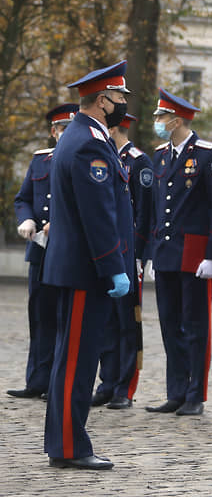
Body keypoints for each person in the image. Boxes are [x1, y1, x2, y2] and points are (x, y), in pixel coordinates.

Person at [42, 61, 134, 470]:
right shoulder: (89, 143)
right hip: (86, 270)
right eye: (119, 98)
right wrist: (112, 265)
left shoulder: (81, 135)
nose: (123, 105)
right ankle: (69, 446)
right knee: (77, 361)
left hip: (77, 267)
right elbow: (97, 213)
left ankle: (66, 442)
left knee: (73, 358)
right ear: (102, 100)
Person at [144, 88, 212, 416]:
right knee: (170, 324)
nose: (157, 122)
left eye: (161, 117)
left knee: (195, 326)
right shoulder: (161, 155)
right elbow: (156, 208)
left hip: (195, 256)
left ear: (176, 120)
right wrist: (152, 251)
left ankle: (196, 394)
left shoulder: (208, 155)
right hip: (167, 253)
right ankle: (176, 391)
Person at [9, 103, 77, 400]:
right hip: (39, 250)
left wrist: (59, 223)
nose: (66, 134)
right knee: (39, 316)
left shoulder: (82, 159)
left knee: (64, 317)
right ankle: (36, 379)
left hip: (66, 252)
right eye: (62, 129)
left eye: (71, 129)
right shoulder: (40, 160)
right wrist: (26, 218)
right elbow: (23, 198)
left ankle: (57, 383)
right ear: (53, 132)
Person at [91, 113, 152, 409]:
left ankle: (124, 387)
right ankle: (107, 381)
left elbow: (145, 214)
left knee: (128, 323)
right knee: (107, 323)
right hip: (109, 252)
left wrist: (140, 255)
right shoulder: (106, 158)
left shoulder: (138, 162)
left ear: (114, 129)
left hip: (129, 255)